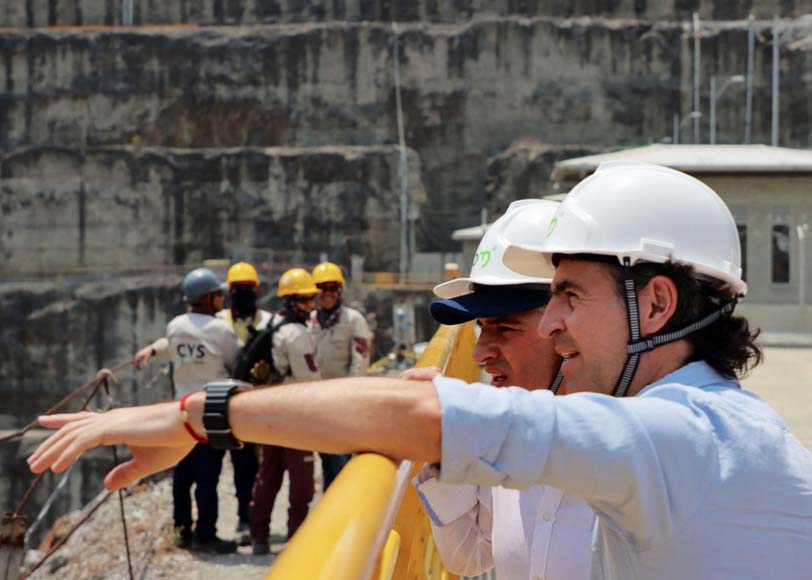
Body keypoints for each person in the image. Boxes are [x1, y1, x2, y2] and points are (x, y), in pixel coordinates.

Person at [29, 163, 812, 579]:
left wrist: (192, 417)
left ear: (660, 303)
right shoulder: (705, 425)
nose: (554, 323)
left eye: (569, 295)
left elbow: (424, 417)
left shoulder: (680, 436)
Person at [409, 199, 593, 580]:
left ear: (569, 322)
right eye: (481, 327)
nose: (478, 353)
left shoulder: (645, 454)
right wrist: (442, 448)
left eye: (505, 329)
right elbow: (469, 556)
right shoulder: (509, 432)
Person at [133, 267, 240, 554]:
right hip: (211, 412)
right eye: (218, 295)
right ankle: (206, 534)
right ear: (207, 298)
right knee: (208, 477)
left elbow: (173, 344)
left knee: (183, 475)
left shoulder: (175, 325)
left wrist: (153, 350)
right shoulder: (221, 329)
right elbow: (235, 361)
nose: (221, 299)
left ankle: (181, 531)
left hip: (181, 411)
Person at [248, 268, 322, 555]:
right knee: (302, 481)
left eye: (310, 299)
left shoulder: (273, 323)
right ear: (290, 302)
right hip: (295, 414)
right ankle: (297, 539)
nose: (310, 306)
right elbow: (310, 380)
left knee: (269, 475)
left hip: (270, 410)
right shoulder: (297, 333)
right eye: (303, 300)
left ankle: (259, 535)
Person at [216, 261, 269, 545]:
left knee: (264, 466)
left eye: (248, 289)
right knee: (241, 465)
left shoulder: (269, 323)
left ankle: (259, 520)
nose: (243, 294)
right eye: (238, 289)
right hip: (225, 404)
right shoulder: (217, 321)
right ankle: (244, 517)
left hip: (261, 403)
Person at [309, 261, 372, 489]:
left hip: (344, 402)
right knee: (326, 458)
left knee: (343, 459)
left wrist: (348, 396)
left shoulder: (353, 321)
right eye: (321, 290)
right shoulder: (310, 322)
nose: (326, 295)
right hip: (318, 401)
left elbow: (360, 360)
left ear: (339, 291)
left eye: (331, 289)